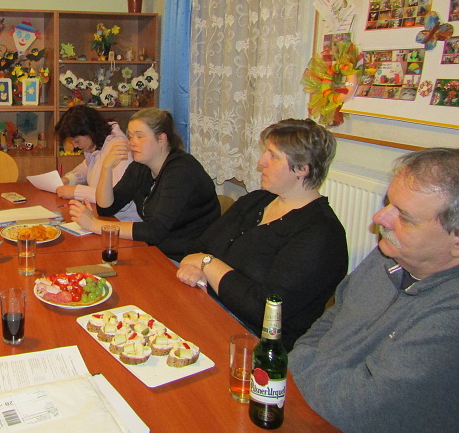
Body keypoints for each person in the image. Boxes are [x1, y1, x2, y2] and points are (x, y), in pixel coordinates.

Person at [288, 148, 459, 432]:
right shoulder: (389, 255)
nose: (380, 218)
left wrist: (300, 360)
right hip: (312, 401)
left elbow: (364, 408)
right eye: (388, 202)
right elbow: (333, 318)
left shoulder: (450, 318)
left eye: (405, 217)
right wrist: (302, 358)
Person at [176, 119, 348, 350]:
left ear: (302, 168)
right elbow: (195, 248)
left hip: (253, 342)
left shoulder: (321, 234)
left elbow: (265, 310)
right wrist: (200, 267)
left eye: (273, 156)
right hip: (207, 307)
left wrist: (207, 263)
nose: (261, 162)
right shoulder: (256, 200)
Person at [69, 108, 220, 261]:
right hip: (157, 251)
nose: (131, 143)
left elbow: (154, 231)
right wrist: (106, 168)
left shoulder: (182, 170)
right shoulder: (141, 166)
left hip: (187, 260)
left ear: (161, 139)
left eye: (140, 136)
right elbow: (107, 209)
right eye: (130, 136)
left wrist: (95, 225)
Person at [54, 105, 140, 222]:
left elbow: (115, 198)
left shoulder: (118, 149)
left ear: (89, 132)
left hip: (122, 221)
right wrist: (69, 179)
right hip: (103, 215)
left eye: (77, 141)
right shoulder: (94, 145)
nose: (75, 146)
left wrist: (76, 191)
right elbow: (87, 167)